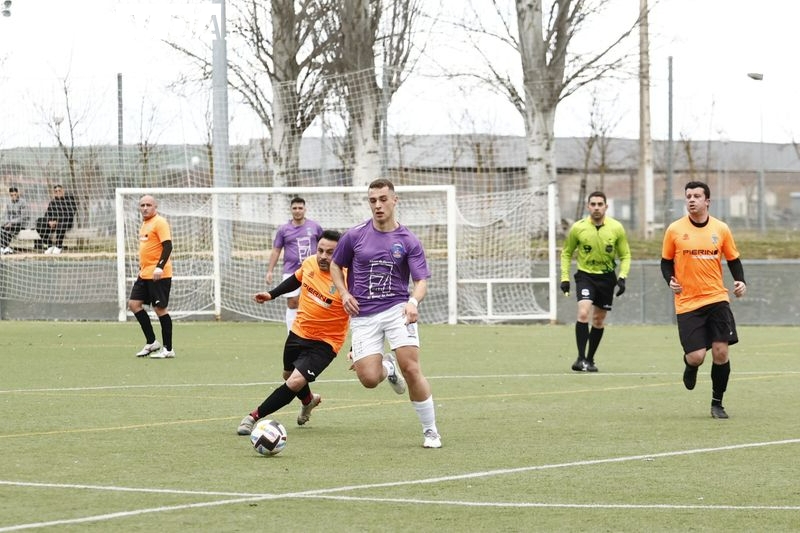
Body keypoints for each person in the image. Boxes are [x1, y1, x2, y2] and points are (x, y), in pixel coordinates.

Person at [330, 178, 442, 449]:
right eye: (372, 200)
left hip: (396, 309)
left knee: (412, 368)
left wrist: (413, 302)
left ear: (394, 200)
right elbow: (335, 265)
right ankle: (386, 367)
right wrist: (344, 294)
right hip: (363, 315)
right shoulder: (355, 235)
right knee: (369, 379)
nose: (378, 205)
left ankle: (430, 431)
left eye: (382, 199)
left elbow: (421, 281)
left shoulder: (408, 240)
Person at [237, 229, 348, 435]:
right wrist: (271, 294)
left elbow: (360, 314)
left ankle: (253, 417)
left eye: (330, 253)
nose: (323, 256)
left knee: (295, 381)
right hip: (298, 332)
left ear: (340, 253)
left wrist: (355, 348)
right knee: (288, 374)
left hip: (326, 342)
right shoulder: (310, 263)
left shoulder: (349, 277)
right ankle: (308, 401)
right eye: (320, 250)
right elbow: (296, 279)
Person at [661, 181, 746, 420]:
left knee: (721, 352)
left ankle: (717, 403)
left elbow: (733, 259)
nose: (691, 200)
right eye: (688, 196)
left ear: (707, 201)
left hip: (717, 298)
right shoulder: (675, 230)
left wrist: (740, 281)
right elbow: (666, 261)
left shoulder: (721, 229)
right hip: (687, 302)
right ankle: (690, 365)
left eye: (697, 196)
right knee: (697, 356)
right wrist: (670, 279)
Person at [560, 191, 631, 372]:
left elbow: (625, 255)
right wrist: (565, 278)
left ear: (606, 207)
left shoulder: (616, 228)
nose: (597, 207)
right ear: (588, 206)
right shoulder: (578, 228)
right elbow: (567, 253)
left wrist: (622, 277)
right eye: (593, 204)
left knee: (598, 320)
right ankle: (580, 358)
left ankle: (590, 359)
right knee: (583, 313)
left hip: (607, 278)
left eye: (600, 204)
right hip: (586, 276)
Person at [265, 197, 323, 332]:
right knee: (293, 302)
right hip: (290, 271)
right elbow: (276, 250)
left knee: (314, 302)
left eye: (300, 208)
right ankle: (292, 333)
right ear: (290, 210)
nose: (297, 211)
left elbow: (324, 246)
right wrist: (270, 271)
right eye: (295, 208)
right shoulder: (283, 230)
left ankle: (311, 332)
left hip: (313, 271)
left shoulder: (315, 227)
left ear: (305, 209)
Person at [128, 195, 175, 359]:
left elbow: (167, 246)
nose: (145, 208)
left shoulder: (160, 222)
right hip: (144, 274)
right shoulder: (144, 224)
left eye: (148, 205)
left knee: (159, 309)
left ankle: (168, 349)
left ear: (155, 207)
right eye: (142, 205)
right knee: (134, 304)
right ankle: (152, 342)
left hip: (158, 274)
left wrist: (160, 267)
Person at [34, 184, 77, 255]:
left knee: (62, 223)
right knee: (39, 221)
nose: (58, 192)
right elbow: (47, 214)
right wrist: (49, 221)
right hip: (53, 224)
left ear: (63, 191)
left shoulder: (70, 200)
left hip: (65, 223)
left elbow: (70, 214)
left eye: (59, 191)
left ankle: (58, 246)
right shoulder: (52, 202)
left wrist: (57, 221)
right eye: (56, 191)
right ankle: (49, 245)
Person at [1, 187, 30, 255]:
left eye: (15, 195)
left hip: (21, 224)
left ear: (17, 193)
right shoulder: (8, 203)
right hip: (10, 224)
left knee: (9, 228)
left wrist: (11, 222)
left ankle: (4, 247)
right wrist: (7, 222)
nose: (13, 196)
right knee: (2, 228)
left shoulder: (23, 202)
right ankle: (4, 247)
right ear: (10, 195)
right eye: (12, 195)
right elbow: (7, 215)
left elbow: (23, 217)